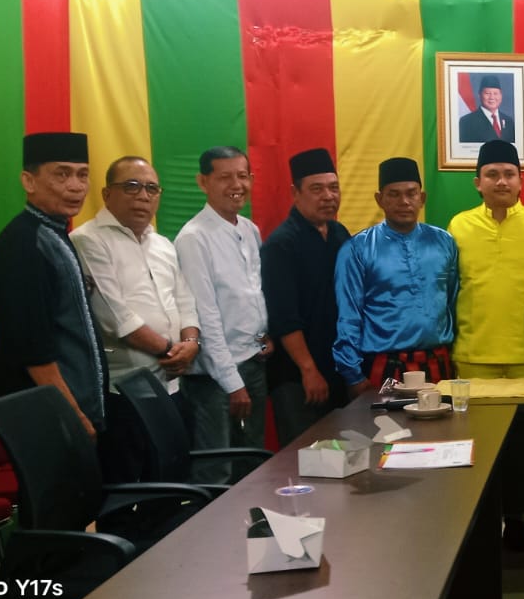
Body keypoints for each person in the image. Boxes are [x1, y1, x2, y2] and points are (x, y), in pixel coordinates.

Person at [448, 140, 524, 553]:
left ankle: (517, 521)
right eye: (492, 174)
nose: (501, 181)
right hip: (473, 354)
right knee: (474, 448)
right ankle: (479, 525)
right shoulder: (458, 227)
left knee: (523, 449)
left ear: (521, 181)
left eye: (509, 174)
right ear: (477, 182)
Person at [72, 156, 201, 481]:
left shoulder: (163, 244)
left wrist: (191, 343)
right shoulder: (88, 240)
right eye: (131, 186)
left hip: (172, 384)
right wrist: (172, 351)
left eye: (151, 188)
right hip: (125, 392)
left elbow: (185, 301)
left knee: (175, 483)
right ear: (106, 194)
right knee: (133, 488)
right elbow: (115, 317)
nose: (143, 196)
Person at [0, 132, 108, 441]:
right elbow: (33, 347)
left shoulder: (53, 232)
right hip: (45, 412)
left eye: (82, 175)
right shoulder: (23, 243)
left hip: (63, 407)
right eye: (62, 174)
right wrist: (73, 414)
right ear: (29, 181)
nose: (76, 186)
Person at [176, 146, 272, 483]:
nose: (236, 185)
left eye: (242, 176)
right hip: (215, 377)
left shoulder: (249, 229)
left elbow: (253, 292)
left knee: (251, 461)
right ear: (203, 182)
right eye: (225, 177)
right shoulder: (193, 237)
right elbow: (206, 316)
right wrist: (233, 384)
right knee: (218, 469)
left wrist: (264, 335)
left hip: (253, 361)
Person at [334, 157, 458, 396]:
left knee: (441, 422)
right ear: (379, 199)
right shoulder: (358, 248)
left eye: (411, 193)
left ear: (422, 198)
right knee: (384, 422)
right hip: (383, 366)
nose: (404, 202)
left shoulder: (444, 242)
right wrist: (352, 374)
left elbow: (452, 303)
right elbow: (348, 316)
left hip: (438, 363)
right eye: (394, 194)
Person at [262, 148, 352, 446]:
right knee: (304, 458)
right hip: (297, 376)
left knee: (343, 454)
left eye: (333, 187)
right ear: (295, 193)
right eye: (317, 189)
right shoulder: (281, 244)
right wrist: (308, 370)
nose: (328, 196)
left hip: (337, 369)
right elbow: (284, 317)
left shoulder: (340, 234)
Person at [458, 75, 515, 143]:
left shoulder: (509, 121)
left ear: (501, 95)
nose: (492, 97)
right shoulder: (466, 122)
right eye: (487, 93)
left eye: (495, 93)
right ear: (479, 95)